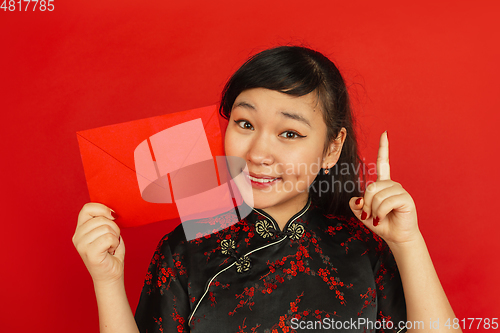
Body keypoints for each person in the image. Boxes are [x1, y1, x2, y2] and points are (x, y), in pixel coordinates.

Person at [73, 46, 461, 332]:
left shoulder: (364, 249)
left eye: (289, 133)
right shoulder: (184, 250)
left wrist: (408, 243)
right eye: (245, 124)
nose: (258, 153)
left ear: (331, 148)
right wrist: (106, 280)